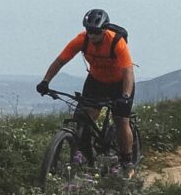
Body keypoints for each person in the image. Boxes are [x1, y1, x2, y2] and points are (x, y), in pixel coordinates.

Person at [36, 9, 137, 170]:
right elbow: (60, 61)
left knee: (121, 120)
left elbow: (128, 72)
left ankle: (127, 160)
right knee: (83, 120)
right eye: (88, 31)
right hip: (96, 81)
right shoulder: (81, 40)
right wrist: (45, 81)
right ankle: (87, 160)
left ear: (104, 29)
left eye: (96, 32)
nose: (91, 35)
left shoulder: (117, 42)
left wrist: (125, 96)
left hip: (120, 83)